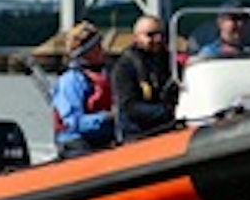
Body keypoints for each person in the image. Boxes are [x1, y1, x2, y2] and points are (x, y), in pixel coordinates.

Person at [111, 13, 179, 142]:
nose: (158, 39)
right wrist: (168, 112)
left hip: (168, 130)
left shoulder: (169, 61)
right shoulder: (125, 67)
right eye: (150, 35)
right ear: (136, 37)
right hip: (139, 134)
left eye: (161, 34)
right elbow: (129, 106)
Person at [51, 20, 115, 157]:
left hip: (104, 138)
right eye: (97, 46)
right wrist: (105, 117)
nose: (102, 50)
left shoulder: (106, 74)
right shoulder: (71, 80)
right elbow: (73, 122)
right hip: (75, 142)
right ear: (85, 52)